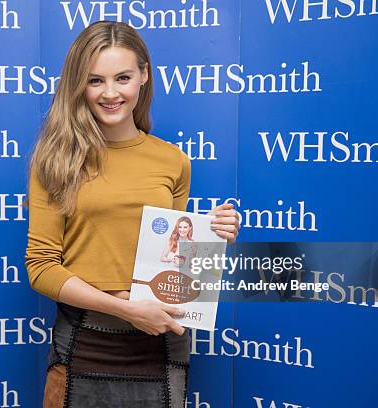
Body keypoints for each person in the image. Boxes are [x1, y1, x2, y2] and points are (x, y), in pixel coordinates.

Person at [24, 20, 240, 408]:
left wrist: (210, 233)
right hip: (84, 340)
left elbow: (172, 266)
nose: (110, 93)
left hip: (160, 345)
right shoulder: (55, 160)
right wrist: (125, 309)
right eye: (95, 81)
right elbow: (41, 267)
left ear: (143, 75)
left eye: (122, 77)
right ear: (78, 84)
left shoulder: (173, 160)